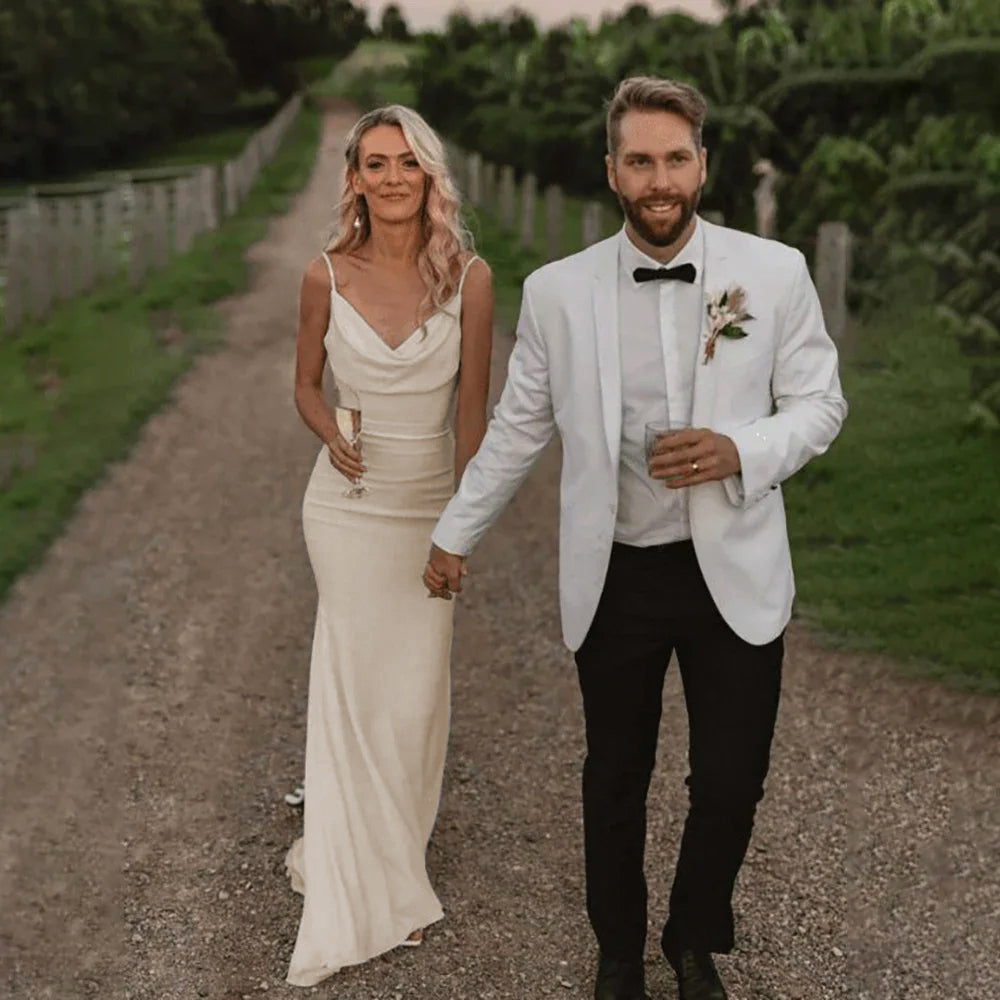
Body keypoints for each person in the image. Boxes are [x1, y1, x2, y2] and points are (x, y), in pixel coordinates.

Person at [424, 76, 846, 1000]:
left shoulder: (773, 273)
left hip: (730, 565)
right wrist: (455, 532)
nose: (661, 179)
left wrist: (742, 446)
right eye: (641, 161)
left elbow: (820, 405)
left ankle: (693, 937)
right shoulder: (557, 292)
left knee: (730, 780)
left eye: (677, 159)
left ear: (704, 165)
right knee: (614, 776)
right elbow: (519, 427)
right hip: (615, 572)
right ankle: (617, 950)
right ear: (612, 173)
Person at [286, 104, 493, 987]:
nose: (393, 177)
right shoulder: (322, 276)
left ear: (429, 175)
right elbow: (303, 384)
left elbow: (474, 416)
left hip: (430, 505)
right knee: (351, 680)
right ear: (356, 180)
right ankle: (370, 882)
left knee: (412, 697)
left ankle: (395, 853)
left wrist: (462, 529)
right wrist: (329, 428)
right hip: (347, 507)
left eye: (407, 162)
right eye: (376, 164)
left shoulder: (472, 279)